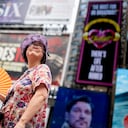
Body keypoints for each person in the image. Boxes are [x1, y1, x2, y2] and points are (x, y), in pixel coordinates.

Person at [1, 34, 52, 128]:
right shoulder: (24, 76)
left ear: (44, 54)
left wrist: (22, 122)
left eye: (40, 45)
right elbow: (14, 101)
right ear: (25, 51)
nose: (36, 44)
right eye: (31, 43)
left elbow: (41, 95)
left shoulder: (42, 69)